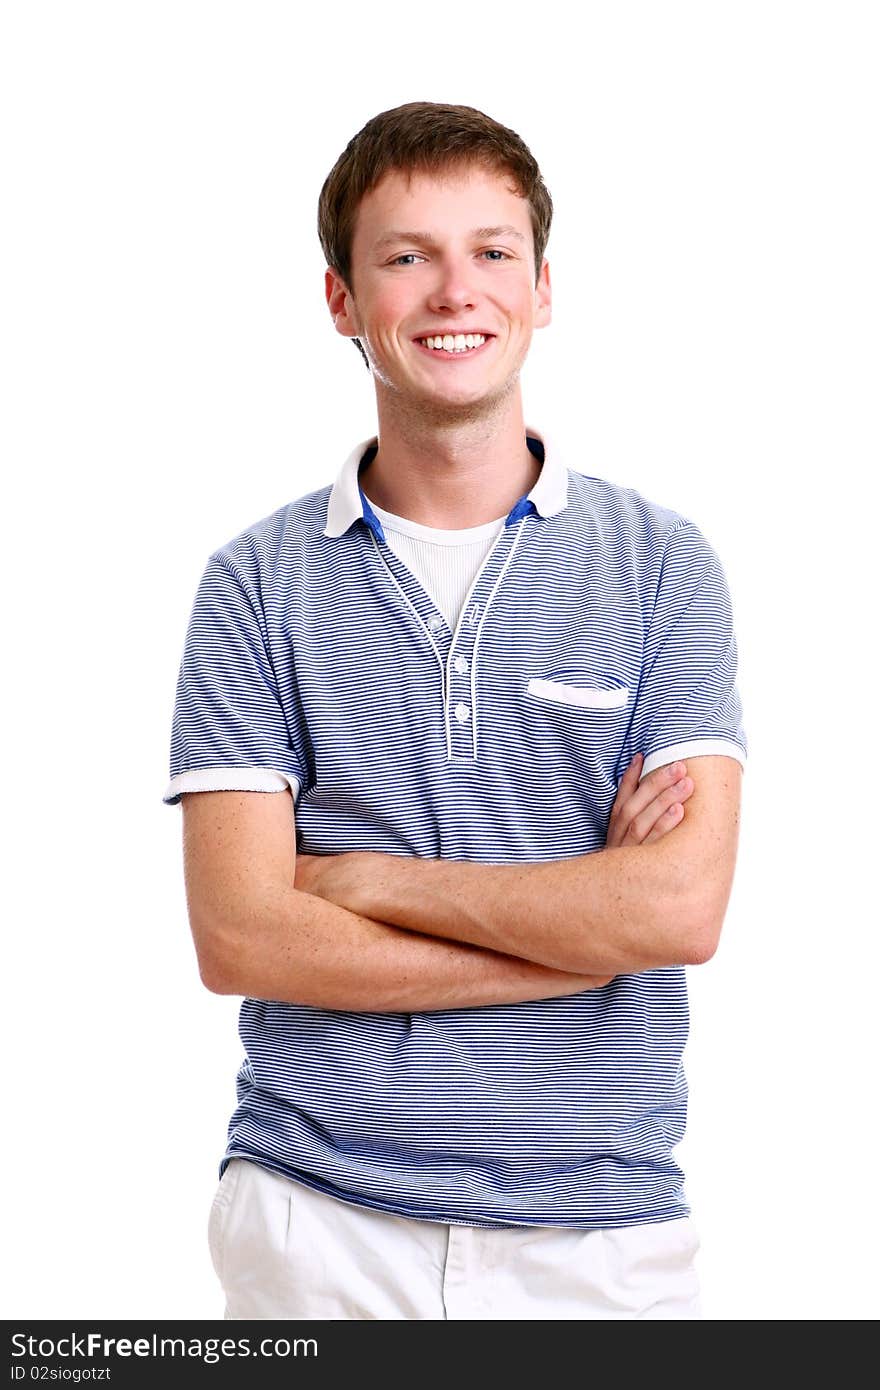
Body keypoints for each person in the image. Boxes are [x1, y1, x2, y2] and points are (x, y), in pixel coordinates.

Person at [162, 101, 747, 1321]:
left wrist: (366, 881)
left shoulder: (662, 567)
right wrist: (585, 932)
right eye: (406, 255)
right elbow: (245, 941)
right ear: (340, 299)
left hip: (601, 1236)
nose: (452, 292)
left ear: (541, 288)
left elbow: (679, 908)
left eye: (490, 251)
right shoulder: (253, 585)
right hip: (314, 1226)